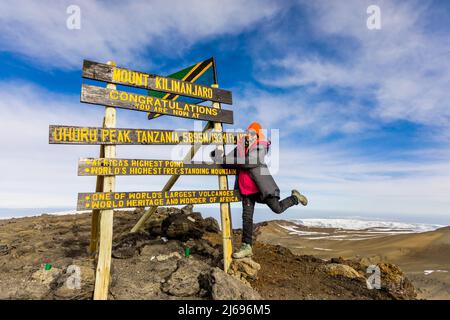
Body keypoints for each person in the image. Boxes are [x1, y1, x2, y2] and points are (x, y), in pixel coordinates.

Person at [211, 122, 308, 259]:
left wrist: (224, 159)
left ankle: (295, 198)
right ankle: (246, 247)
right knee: (247, 219)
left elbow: (247, 162)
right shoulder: (240, 147)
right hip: (246, 191)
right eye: (247, 132)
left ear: (257, 135)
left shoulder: (261, 147)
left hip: (262, 188)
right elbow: (229, 161)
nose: (248, 136)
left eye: (252, 133)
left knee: (277, 209)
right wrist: (217, 157)